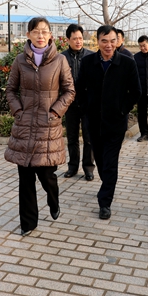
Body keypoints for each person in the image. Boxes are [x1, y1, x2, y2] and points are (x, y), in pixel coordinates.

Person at [4, 17, 75, 236]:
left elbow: (69, 91)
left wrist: (55, 112)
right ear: (28, 35)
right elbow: (10, 90)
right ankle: (28, 223)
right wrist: (18, 111)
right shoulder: (19, 60)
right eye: (36, 31)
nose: (40, 35)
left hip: (47, 127)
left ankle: (53, 200)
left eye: (44, 31)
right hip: (24, 127)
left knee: (47, 175)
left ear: (51, 35)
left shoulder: (60, 61)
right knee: (25, 178)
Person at [76, 25, 141, 220]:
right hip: (94, 121)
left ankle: (105, 202)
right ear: (98, 41)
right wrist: (86, 109)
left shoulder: (127, 63)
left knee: (111, 162)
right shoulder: (88, 62)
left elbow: (136, 92)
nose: (109, 45)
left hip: (116, 123)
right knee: (101, 161)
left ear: (118, 41)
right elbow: (79, 89)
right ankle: (107, 185)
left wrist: (122, 109)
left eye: (113, 41)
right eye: (104, 41)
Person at [60, 24, 96, 181]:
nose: (78, 41)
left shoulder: (91, 57)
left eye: (80, 38)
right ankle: (72, 167)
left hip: (87, 104)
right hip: (70, 104)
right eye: (75, 38)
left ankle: (88, 168)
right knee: (72, 137)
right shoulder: (61, 58)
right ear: (68, 40)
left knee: (89, 138)